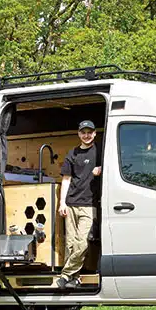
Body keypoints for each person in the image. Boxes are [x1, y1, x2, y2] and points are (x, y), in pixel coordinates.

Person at [56, 120, 101, 288]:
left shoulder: (99, 150)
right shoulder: (72, 154)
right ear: (79, 134)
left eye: (90, 132)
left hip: (89, 204)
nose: (86, 135)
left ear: (95, 133)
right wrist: (62, 203)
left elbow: (113, 164)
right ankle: (74, 278)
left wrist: (102, 168)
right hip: (71, 203)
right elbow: (66, 179)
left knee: (82, 242)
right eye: (83, 132)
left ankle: (65, 275)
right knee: (70, 243)